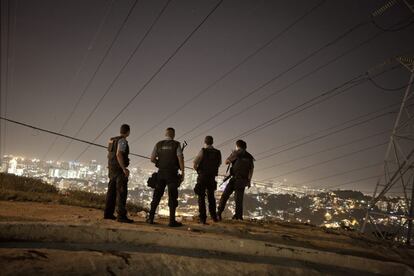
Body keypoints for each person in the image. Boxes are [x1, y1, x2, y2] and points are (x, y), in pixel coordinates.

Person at [147, 127, 185, 227]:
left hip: (161, 174)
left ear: (166, 134)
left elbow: (152, 159)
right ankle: (171, 221)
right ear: (173, 134)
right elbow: (180, 159)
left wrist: (158, 163)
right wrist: (183, 172)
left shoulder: (158, 144)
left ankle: (150, 218)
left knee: (156, 196)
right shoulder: (176, 144)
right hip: (172, 174)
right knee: (172, 197)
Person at [217, 140, 254, 221]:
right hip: (243, 181)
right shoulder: (250, 157)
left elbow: (226, 162)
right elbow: (251, 170)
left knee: (225, 196)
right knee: (239, 200)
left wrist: (232, 155)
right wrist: (249, 181)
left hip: (234, 179)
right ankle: (238, 217)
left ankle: (219, 213)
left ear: (237, 146)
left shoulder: (236, 153)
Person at [104, 124, 133, 223]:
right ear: (128, 132)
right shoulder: (122, 141)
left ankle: (108, 214)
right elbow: (118, 154)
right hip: (119, 170)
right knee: (121, 193)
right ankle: (121, 216)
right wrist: (124, 168)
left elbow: (110, 154)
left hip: (111, 168)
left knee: (111, 192)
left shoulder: (111, 140)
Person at [193, 136, 222, 224]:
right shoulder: (218, 152)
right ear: (212, 142)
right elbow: (219, 163)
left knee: (201, 197)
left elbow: (195, 162)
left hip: (202, 177)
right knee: (211, 197)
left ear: (205, 142)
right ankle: (214, 217)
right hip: (212, 177)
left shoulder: (203, 151)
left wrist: (198, 170)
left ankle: (202, 218)